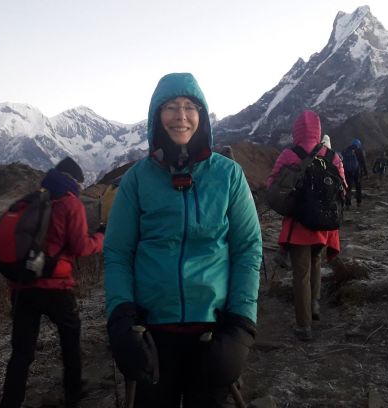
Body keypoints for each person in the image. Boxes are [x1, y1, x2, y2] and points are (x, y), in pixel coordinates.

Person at [104, 72, 262, 407]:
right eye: (171, 107)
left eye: (190, 106)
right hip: (150, 334)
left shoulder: (229, 175)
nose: (181, 115)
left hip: (213, 332)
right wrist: (120, 318)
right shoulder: (136, 180)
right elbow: (118, 252)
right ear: (156, 117)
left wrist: (241, 326)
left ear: (202, 116)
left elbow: (247, 248)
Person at [0, 157, 105, 408]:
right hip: (56, 288)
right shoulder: (71, 203)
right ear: (74, 180)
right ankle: (73, 392)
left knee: (22, 353)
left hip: (23, 287)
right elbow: (80, 247)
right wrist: (101, 237)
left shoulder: (35, 199)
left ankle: (9, 403)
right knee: (70, 339)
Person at [266, 110, 346, 341]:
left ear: (297, 131)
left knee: (300, 274)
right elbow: (343, 189)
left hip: (298, 224)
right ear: (318, 130)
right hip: (324, 226)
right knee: (316, 263)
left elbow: (272, 185)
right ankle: (314, 306)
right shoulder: (332, 156)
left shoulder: (289, 155)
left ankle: (304, 326)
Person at [341, 138, 368, 207]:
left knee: (348, 188)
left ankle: (348, 203)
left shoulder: (346, 150)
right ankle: (359, 202)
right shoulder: (359, 151)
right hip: (357, 172)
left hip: (347, 172)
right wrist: (366, 173)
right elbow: (363, 162)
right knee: (358, 187)